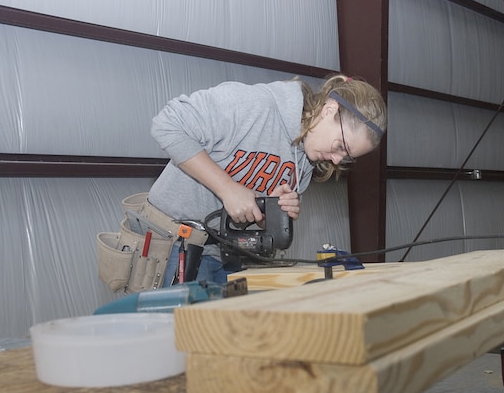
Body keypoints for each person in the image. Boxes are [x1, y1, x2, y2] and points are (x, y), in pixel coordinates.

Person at [148, 73, 387, 286]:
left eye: (346, 156)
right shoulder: (254, 105)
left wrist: (270, 213)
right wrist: (228, 189)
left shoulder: (305, 160)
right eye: (340, 146)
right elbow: (167, 124)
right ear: (329, 109)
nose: (336, 160)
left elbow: (244, 208)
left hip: (222, 253)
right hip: (172, 243)